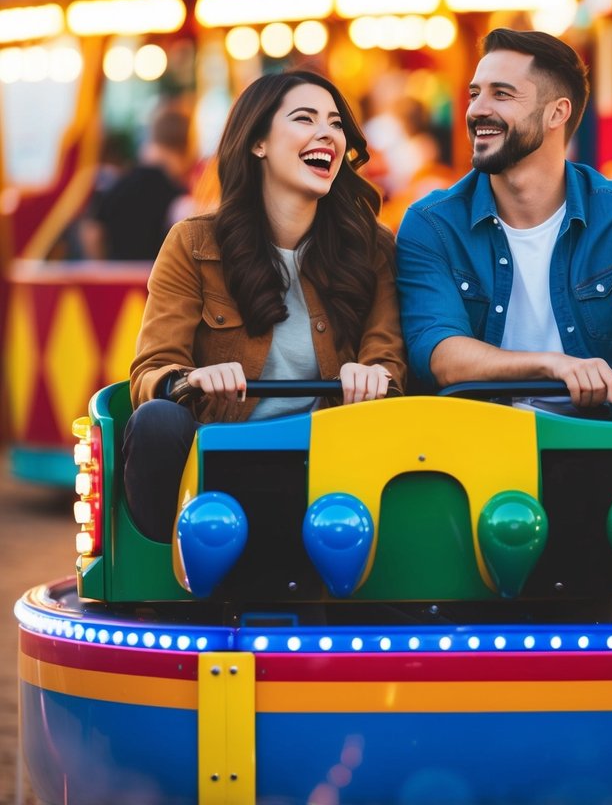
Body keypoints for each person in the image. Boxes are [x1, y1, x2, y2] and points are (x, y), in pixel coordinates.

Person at [396, 28, 612, 550]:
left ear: (556, 113)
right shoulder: (431, 223)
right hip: (472, 443)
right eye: (475, 93)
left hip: (594, 442)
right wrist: (551, 364)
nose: (478, 108)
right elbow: (441, 352)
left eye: (502, 94)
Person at [124, 70, 406, 542]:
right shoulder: (194, 243)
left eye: (336, 124)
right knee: (156, 419)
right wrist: (191, 380)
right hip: (226, 460)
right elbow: (152, 368)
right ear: (258, 143)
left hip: (332, 463)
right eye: (305, 118)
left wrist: (374, 374)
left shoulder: (371, 247)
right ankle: (168, 567)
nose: (327, 134)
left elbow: (388, 355)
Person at [81, 105, 193, 261]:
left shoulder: (119, 183)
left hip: (115, 276)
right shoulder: (176, 194)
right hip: (155, 280)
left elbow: (92, 232)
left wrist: (102, 268)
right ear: (186, 144)